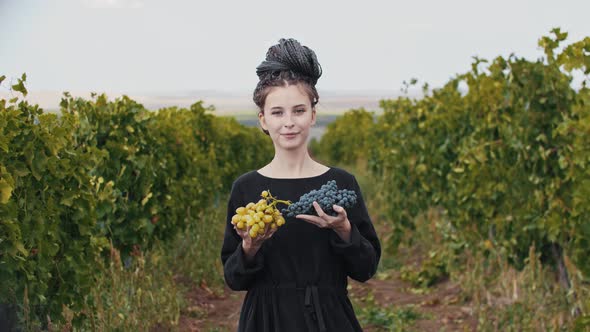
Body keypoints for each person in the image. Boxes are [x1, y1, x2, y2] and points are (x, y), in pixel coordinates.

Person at [220, 38, 381, 332]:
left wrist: (345, 231)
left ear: (313, 115)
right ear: (263, 120)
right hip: (265, 323)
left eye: (298, 110)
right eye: (277, 113)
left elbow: (366, 268)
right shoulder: (246, 188)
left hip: (328, 321)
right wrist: (249, 248)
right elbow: (234, 279)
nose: (289, 122)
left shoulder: (341, 184)